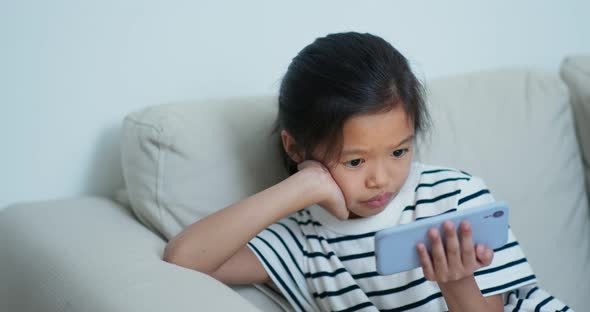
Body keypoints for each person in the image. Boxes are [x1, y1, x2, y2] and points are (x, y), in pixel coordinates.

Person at [163, 32, 570, 311]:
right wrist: (303, 184)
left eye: (398, 151)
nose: (381, 179)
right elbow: (183, 259)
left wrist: (456, 282)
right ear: (296, 147)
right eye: (355, 161)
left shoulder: (457, 198)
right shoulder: (303, 241)